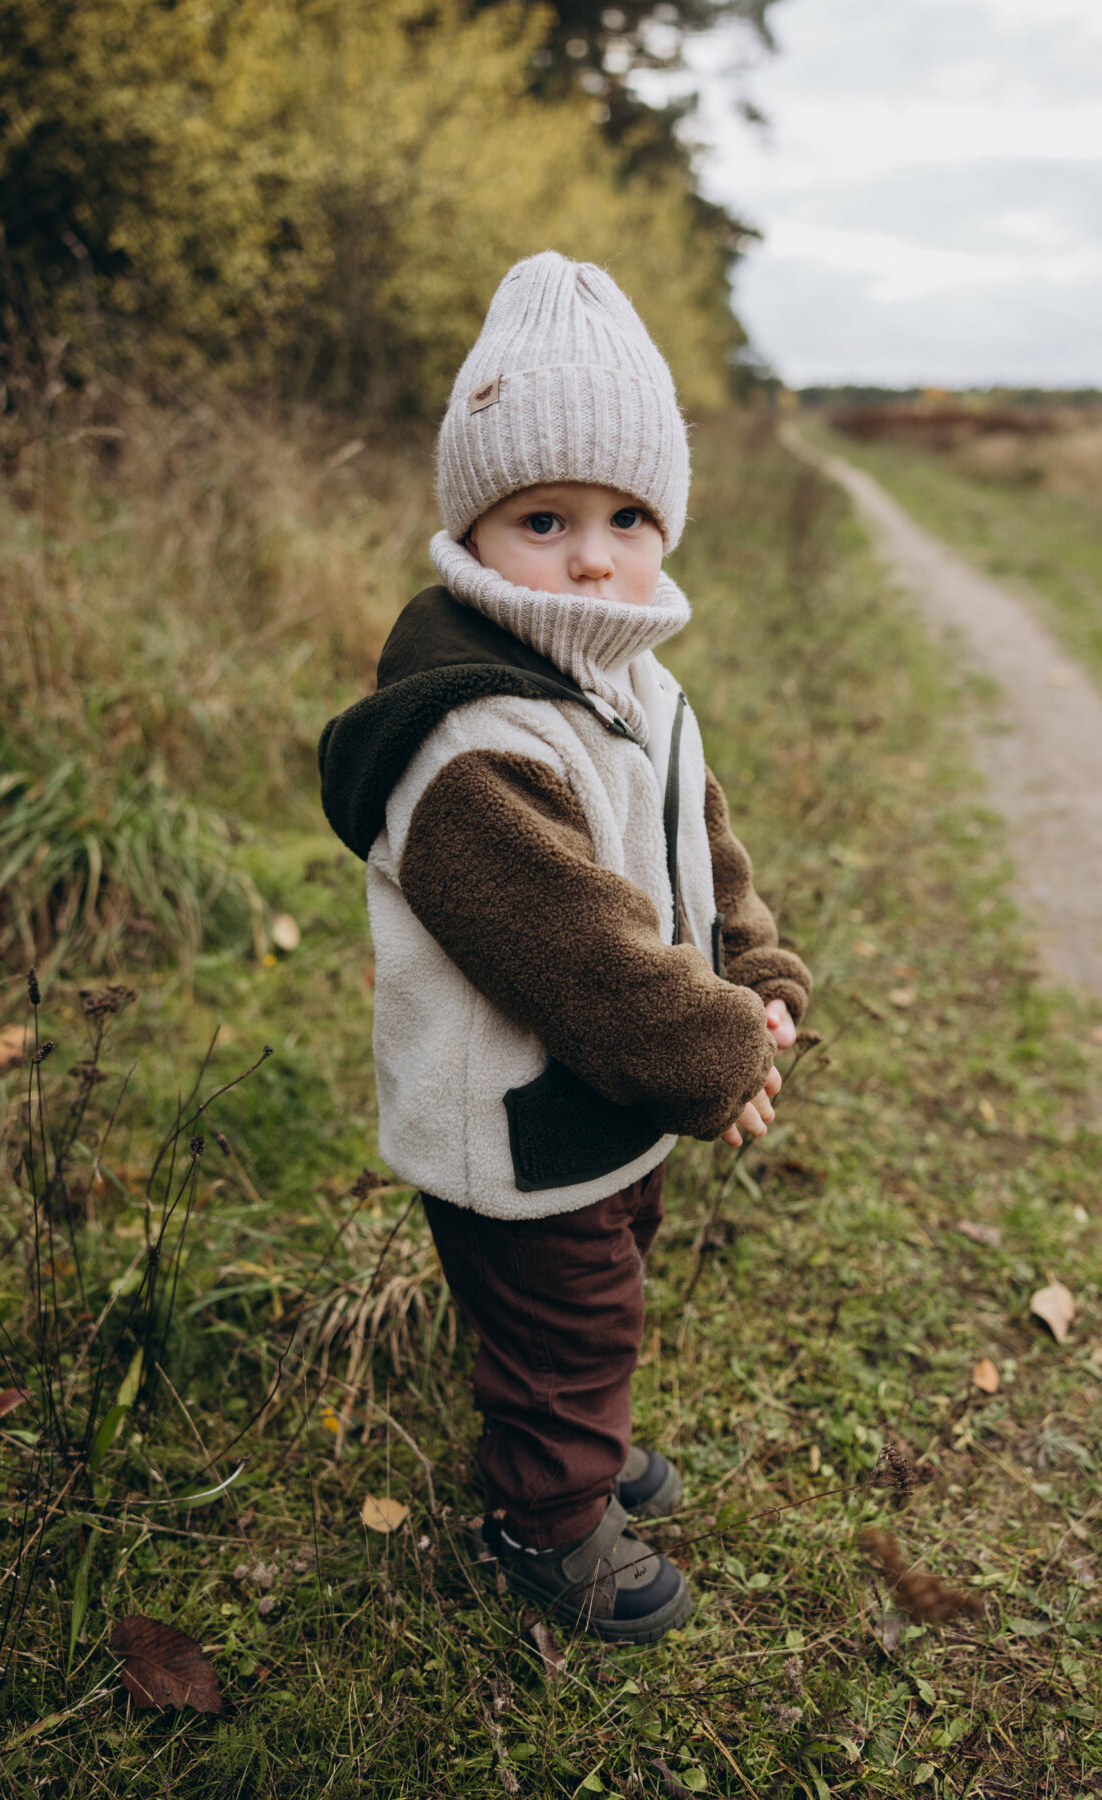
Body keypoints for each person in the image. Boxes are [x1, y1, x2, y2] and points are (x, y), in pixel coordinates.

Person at [318, 251, 812, 1646]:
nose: (593, 556)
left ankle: (572, 1435)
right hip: (518, 1128)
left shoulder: (638, 683)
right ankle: (545, 1516)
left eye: (626, 517)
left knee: (609, 1271)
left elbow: (696, 847)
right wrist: (712, 1049)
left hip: (609, 1098)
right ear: (475, 532)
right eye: (543, 518)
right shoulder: (471, 739)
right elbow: (578, 955)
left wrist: (756, 973)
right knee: (567, 1309)